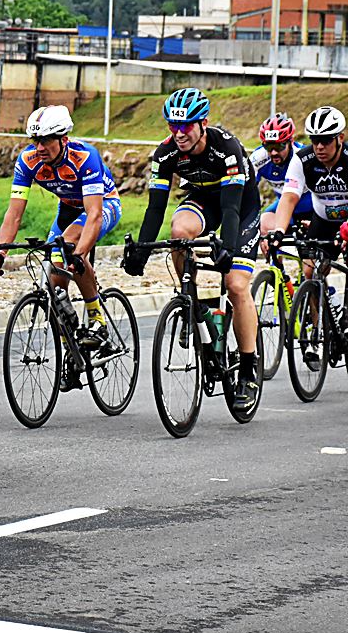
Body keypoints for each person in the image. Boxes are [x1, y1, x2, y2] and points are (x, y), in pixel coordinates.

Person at [123, 87, 261, 411]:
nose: (179, 133)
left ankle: (248, 366)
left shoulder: (225, 147)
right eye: (173, 125)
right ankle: (193, 306)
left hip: (241, 207)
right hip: (203, 200)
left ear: (203, 123)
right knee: (178, 231)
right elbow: (155, 209)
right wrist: (141, 251)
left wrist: (226, 248)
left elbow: (230, 210)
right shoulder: (165, 154)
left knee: (236, 284)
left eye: (186, 126)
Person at [0, 105, 121, 348]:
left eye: (46, 141)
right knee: (54, 280)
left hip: (103, 205)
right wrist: (1, 251)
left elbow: (94, 214)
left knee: (70, 247)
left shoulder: (85, 157)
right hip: (68, 208)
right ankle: (70, 349)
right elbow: (14, 214)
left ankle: (97, 317)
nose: (40, 148)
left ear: (63, 138)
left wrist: (79, 255)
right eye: (36, 140)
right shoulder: (28, 161)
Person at [267, 106, 348, 366]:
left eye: (326, 140)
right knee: (311, 271)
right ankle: (318, 329)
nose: (320, 147)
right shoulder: (303, 160)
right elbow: (289, 197)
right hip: (323, 220)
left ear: (340, 138)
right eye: (315, 141)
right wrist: (279, 230)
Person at [252, 113, 312, 243]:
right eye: (268, 146)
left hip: (310, 209)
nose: (273, 152)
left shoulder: (304, 157)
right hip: (283, 207)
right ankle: (275, 262)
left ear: (290, 141)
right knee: (263, 224)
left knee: (309, 258)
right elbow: (246, 192)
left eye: (279, 146)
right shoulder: (259, 158)